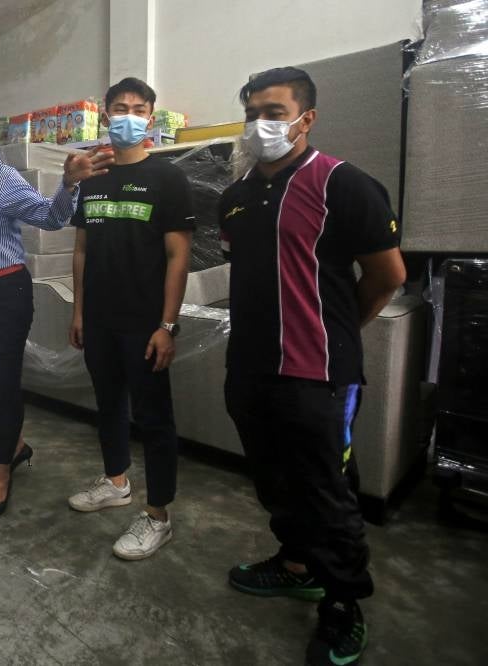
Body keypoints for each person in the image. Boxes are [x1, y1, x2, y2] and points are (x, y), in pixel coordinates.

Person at [219, 67, 405, 665]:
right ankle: (296, 564)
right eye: (252, 112)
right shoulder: (237, 197)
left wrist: (340, 333)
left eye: (274, 111)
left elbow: (388, 277)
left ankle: (343, 604)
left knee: (328, 492)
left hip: (319, 372)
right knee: (273, 478)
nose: (261, 124)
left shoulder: (346, 185)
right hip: (249, 367)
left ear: (307, 118)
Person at [0, 101, 112, 521]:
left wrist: (68, 185)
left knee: (4, 382)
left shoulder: (5, 179)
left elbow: (51, 218)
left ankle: (2, 471)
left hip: (5, 293)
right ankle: (16, 447)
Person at [66, 77, 194, 560]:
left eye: (138, 108)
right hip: (99, 319)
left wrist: (167, 325)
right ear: (104, 114)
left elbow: (178, 258)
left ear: (150, 116)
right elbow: (80, 249)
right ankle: (116, 481)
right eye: (119, 107)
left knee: (155, 417)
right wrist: (79, 311)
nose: (128, 115)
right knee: (108, 403)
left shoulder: (169, 179)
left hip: (145, 324)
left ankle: (159, 513)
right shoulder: (93, 176)